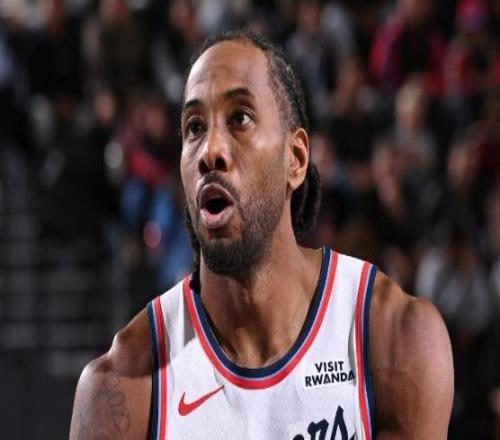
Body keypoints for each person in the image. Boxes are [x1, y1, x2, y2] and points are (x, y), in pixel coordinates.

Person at [69, 31, 453, 439]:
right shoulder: (121, 387)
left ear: (296, 159)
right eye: (194, 127)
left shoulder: (394, 338)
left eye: (240, 118)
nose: (210, 151)